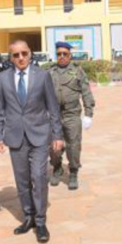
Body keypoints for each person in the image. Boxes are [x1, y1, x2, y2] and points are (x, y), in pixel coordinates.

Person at [0, 40, 63, 244]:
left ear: (30, 54)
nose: (21, 58)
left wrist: (57, 135)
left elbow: (53, 108)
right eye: (16, 55)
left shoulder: (42, 76)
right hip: (15, 138)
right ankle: (29, 217)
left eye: (24, 53)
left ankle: (41, 222)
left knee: (39, 177)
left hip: (40, 135)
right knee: (22, 181)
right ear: (11, 57)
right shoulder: (3, 78)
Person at [48, 41, 95, 190]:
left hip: (72, 113)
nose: (61, 57)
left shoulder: (77, 71)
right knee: (53, 146)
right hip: (54, 115)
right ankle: (57, 167)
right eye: (59, 54)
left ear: (70, 55)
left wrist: (88, 113)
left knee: (73, 146)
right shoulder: (50, 72)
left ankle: (73, 171)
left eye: (65, 54)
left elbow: (86, 92)